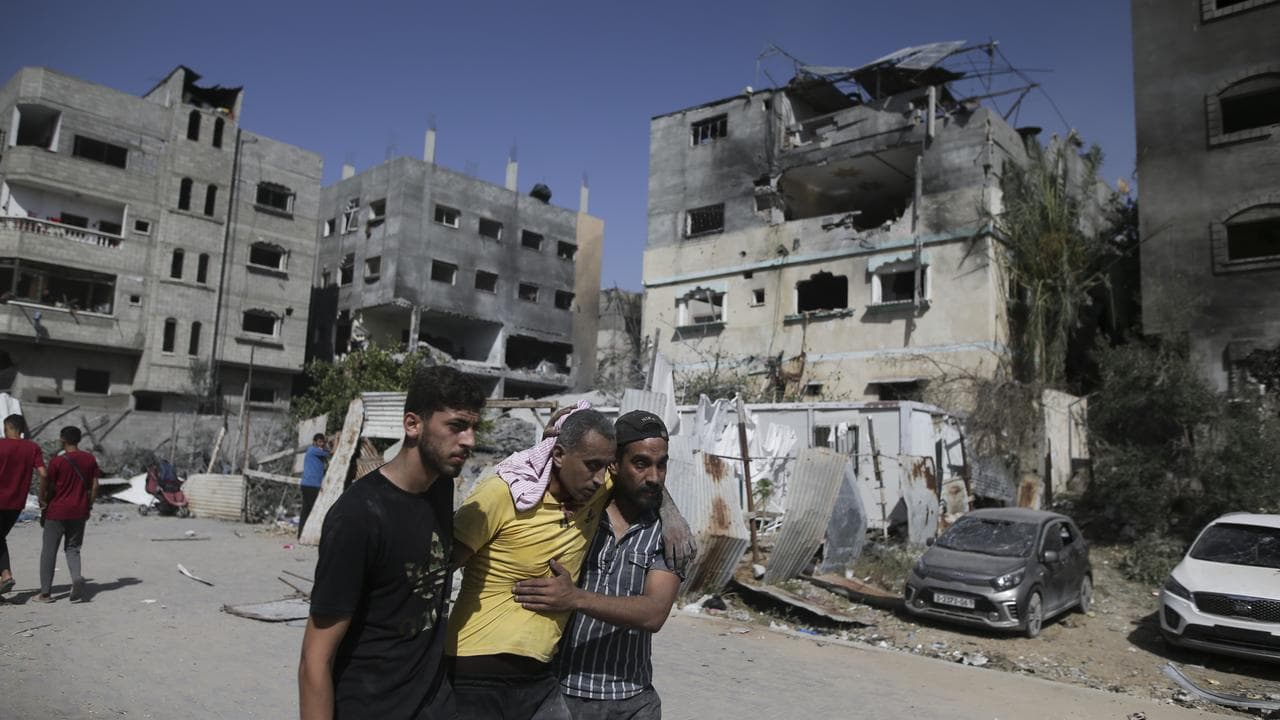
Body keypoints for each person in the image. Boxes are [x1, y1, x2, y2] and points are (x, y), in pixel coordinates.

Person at [298, 365, 485, 720]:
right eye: (457, 426)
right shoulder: (357, 517)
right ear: (413, 424)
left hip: (434, 702)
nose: (470, 441)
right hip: (372, 707)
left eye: (474, 427)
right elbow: (314, 660)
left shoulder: (441, 487)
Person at [447, 409, 618, 720]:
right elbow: (440, 570)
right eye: (592, 466)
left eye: (605, 467)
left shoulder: (592, 492)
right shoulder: (503, 493)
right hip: (476, 673)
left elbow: (646, 474)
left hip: (539, 677)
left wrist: (673, 520)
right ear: (559, 455)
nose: (599, 479)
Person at [514, 411, 679, 720]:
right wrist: (547, 446)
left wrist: (574, 597)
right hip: (560, 694)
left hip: (633, 700)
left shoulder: (669, 535)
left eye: (662, 464)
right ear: (613, 463)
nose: (654, 476)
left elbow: (655, 612)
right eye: (641, 463)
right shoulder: (578, 513)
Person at [34, 425, 99, 603]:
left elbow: (47, 483)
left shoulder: (57, 461)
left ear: (62, 439)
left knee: (49, 550)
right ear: (79, 440)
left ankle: (45, 594)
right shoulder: (90, 459)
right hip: (79, 511)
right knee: (73, 548)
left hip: (57, 511)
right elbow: (94, 486)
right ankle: (76, 577)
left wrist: (42, 501)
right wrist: (89, 505)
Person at [0, 413, 45, 597]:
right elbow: (43, 473)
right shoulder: (32, 447)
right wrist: (43, 498)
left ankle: (6, 574)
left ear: (8, 427)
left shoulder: (1, 445)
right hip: (17, 503)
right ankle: (5, 577)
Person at [298, 433, 330, 537]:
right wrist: (333, 442)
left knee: (306, 510)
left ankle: (302, 534)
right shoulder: (313, 450)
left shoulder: (317, 451)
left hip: (310, 485)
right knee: (312, 510)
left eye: (322, 442)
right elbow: (330, 452)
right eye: (320, 442)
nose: (321, 444)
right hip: (310, 485)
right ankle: (308, 534)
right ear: (315, 442)